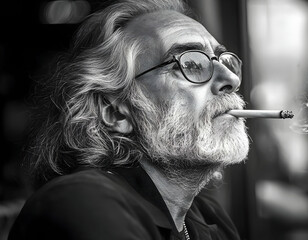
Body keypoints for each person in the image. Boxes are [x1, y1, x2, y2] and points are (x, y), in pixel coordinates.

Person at [8, 0, 249, 239]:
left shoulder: (208, 216)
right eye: (192, 64)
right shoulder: (83, 202)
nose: (231, 79)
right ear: (116, 112)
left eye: (225, 60)